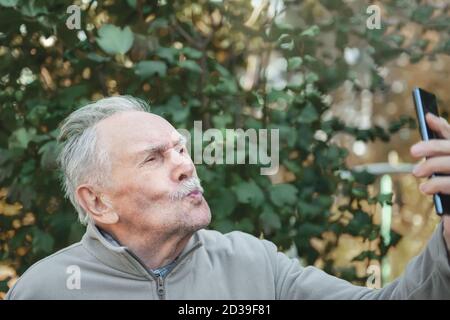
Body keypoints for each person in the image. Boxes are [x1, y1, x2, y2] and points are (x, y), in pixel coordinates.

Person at [5, 96, 450, 299]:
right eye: (153, 159)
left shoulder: (254, 263)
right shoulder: (47, 288)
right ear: (98, 202)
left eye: (181, 148)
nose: (185, 164)